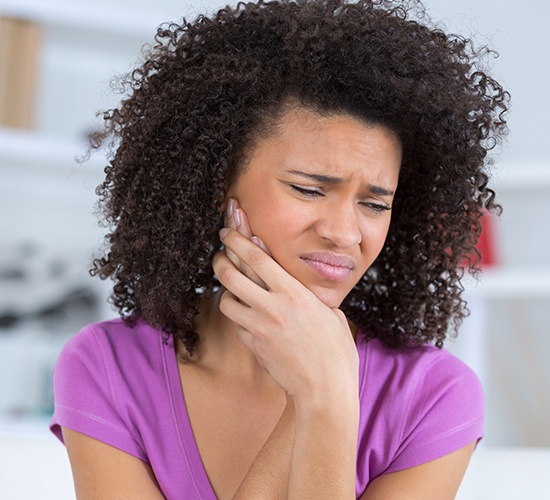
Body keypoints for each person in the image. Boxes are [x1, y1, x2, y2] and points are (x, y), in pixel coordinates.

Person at [49, 0, 509, 498]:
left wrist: (326, 399)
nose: (345, 233)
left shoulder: (433, 396)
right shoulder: (108, 369)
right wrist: (316, 394)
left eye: (374, 204)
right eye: (309, 190)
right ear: (214, 185)